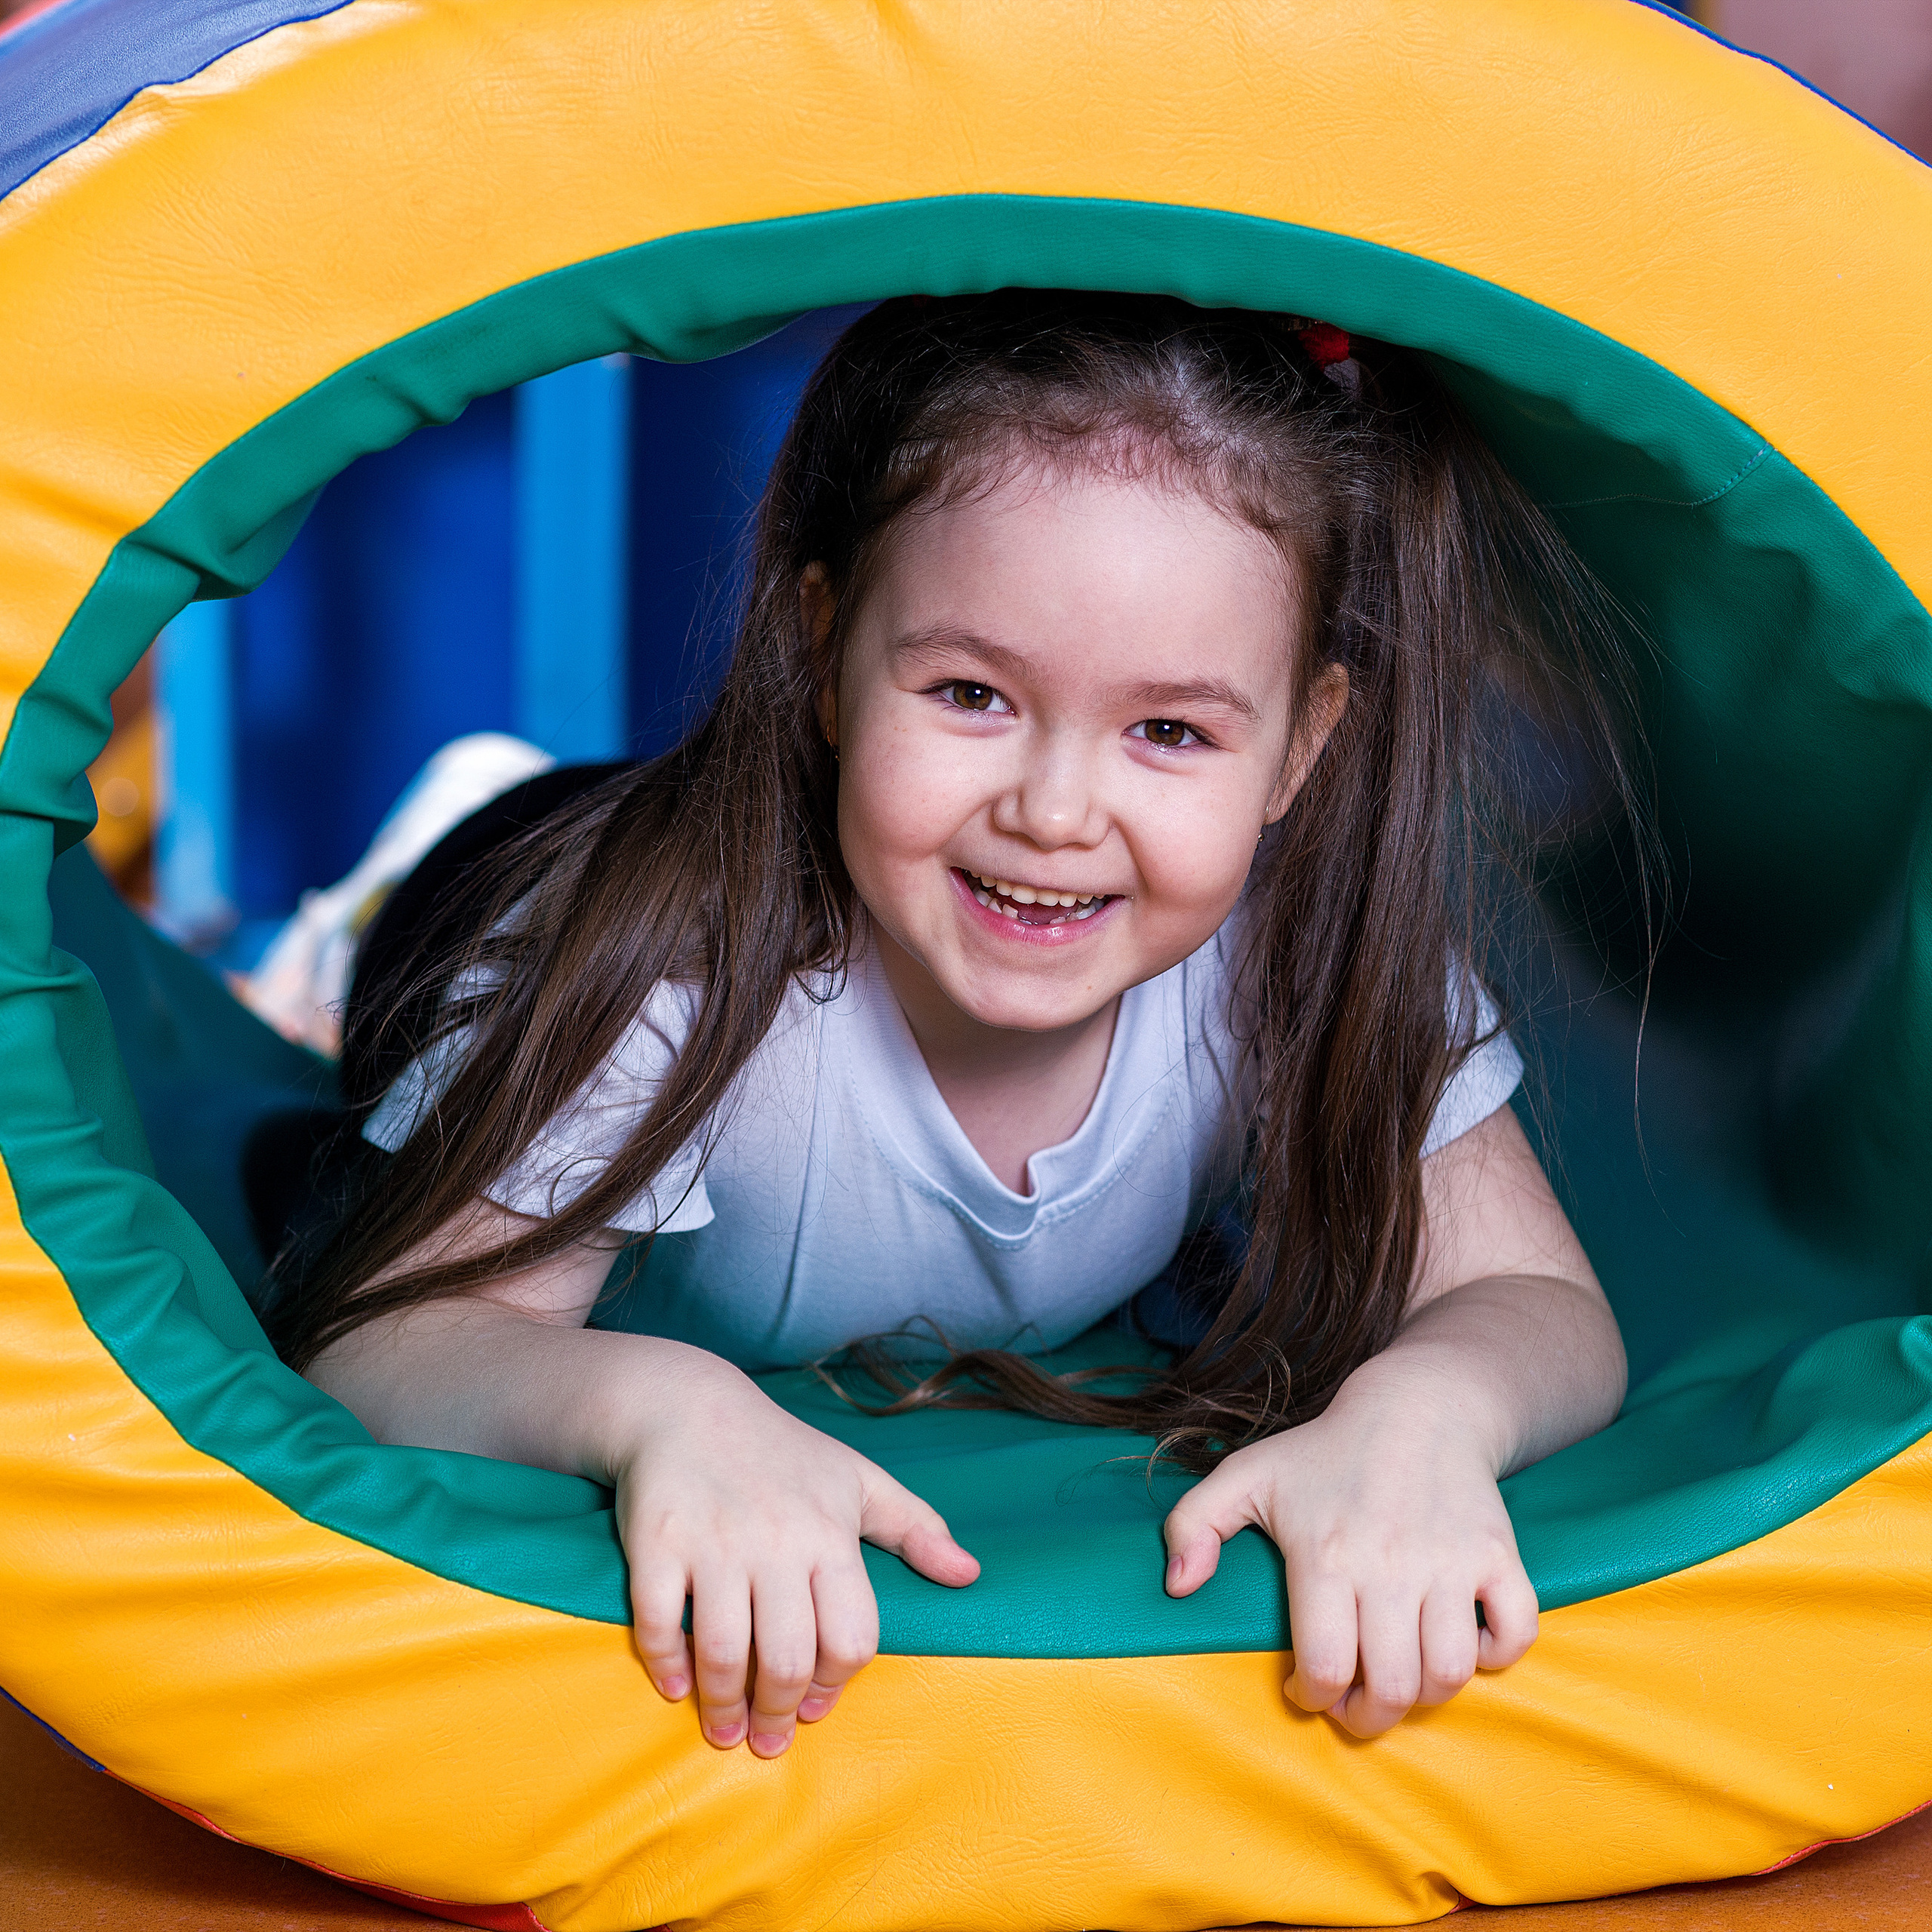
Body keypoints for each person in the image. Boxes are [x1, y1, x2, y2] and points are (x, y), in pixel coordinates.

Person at [264, 291, 1631, 1764]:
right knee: (418, 961)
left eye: (1167, 730)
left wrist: (1430, 1407)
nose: (1052, 811)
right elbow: (386, 1337)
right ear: (823, 642)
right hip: (521, 893)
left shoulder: (1302, 949)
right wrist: (649, 1402)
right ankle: (369, 893)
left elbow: (1540, 1302)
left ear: (1298, 744)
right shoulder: (656, 984)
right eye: (971, 693)